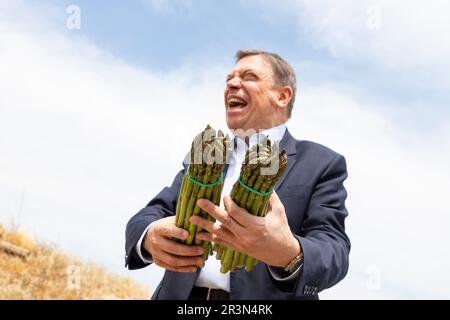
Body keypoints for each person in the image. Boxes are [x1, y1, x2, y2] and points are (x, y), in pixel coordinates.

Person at [125, 50, 350, 300]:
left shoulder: (322, 163)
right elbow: (149, 214)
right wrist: (148, 237)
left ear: (283, 95)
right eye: (229, 78)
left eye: (249, 76)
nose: (232, 83)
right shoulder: (208, 154)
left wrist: (288, 252)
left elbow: (334, 250)